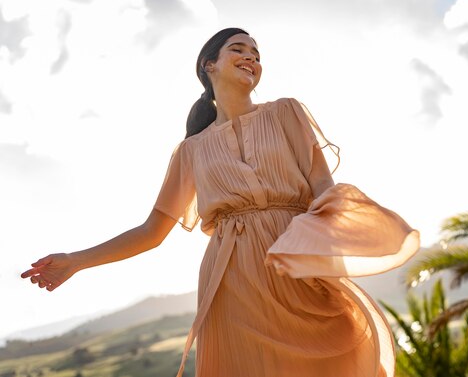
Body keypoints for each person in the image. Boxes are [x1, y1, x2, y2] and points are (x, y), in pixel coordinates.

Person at [21, 27, 420, 377]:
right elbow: (150, 232)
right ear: (208, 64)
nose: (251, 58)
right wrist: (76, 260)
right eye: (239, 49)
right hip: (231, 281)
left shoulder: (286, 112)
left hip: (295, 266)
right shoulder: (190, 151)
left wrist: (324, 253)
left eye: (257, 54)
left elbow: (323, 188)